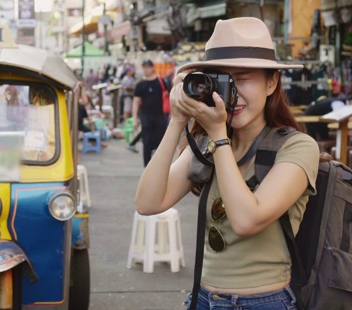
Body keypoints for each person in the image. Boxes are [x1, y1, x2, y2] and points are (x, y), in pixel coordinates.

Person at [135, 17, 319, 310]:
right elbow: (147, 203)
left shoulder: (297, 147)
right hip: (203, 299)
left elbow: (247, 221)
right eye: (222, 81)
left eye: (243, 78)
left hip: (263, 302)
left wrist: (219, 135)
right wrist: (178, 121)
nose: (232, 94)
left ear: (271, 83)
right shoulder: (208, 144)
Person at [132, 59, 169, 166]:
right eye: (144, 67)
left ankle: (160, 167)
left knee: (161, 143)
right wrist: (135, 119)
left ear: (152, 68)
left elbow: (168, 97)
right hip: (146, 116)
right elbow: (135, 101)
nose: (146, 69)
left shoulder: (161, 81)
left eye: (148, 67)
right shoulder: (140, 84)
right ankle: (147, 168)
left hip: (160, 116)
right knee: (146, 143)